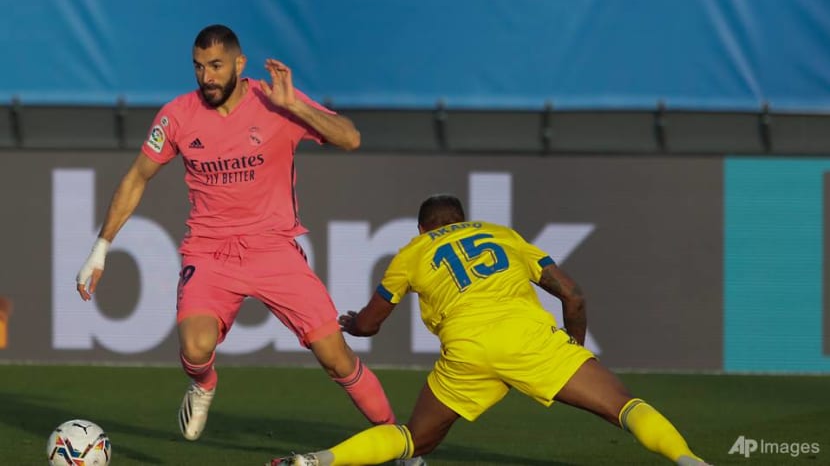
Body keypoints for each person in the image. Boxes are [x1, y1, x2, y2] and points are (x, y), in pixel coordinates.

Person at [75, 24, 401, 444]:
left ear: (239, 64)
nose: (206, 77)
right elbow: (138, 177)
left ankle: (399, 443)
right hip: (210, 252)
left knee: (335, 358)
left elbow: (351, 138)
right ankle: (204, 384)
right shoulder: (177, 115)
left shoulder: (275, 101)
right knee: (195, 348)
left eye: (215, 66)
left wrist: (296, 107)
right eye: (198, 67)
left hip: (273, 249)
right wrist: (100, 248)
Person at [269, 194, 711, 466]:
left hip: (467, 351)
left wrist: (356, 326)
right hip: (530, 340)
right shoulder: (503, 235)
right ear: (464, 219)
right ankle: (688, 460)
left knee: (412, 440)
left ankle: (316, 460)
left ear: (423, 228)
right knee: (625, 406)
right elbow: (573, 296)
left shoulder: (412, 251)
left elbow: (370, 322)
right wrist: (571, 353)